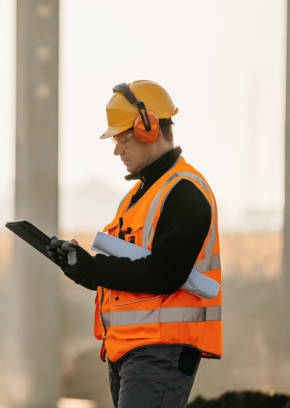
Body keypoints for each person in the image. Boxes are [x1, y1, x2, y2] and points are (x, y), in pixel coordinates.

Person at [47, 80, 222, 408]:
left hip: (161, 352)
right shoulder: (138, 198)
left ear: (147, 127)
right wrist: (80, 268)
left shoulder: (184, 193)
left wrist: (93, 267)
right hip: (131, 352)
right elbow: (124, 277)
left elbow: (164, 275)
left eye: (122, 139)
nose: (117, 150)